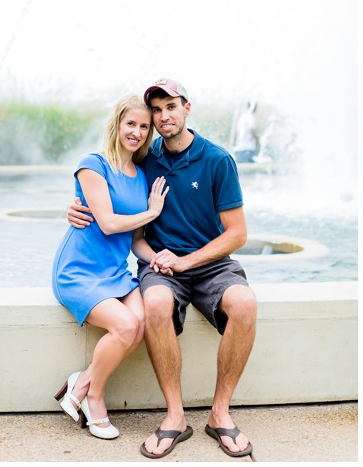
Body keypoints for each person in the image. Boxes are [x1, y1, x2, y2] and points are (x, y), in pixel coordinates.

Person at [66, 78, 256, 459]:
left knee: (246, 304)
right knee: (154, 305)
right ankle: (175, 416)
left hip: (211, 264)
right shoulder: (145, 157)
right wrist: (72, 206)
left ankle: (220, 414)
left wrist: (186, 260)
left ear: (187, 108)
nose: (163, 116)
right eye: (156, 109)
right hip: (159, 264)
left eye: (171, 106)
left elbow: (238, 235)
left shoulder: (218, 160)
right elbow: (109, 184)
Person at [52, 94, 169, 440]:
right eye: (130, 123)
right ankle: (95, 399)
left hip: (116, 273)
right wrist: (151, 212)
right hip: (79, 271)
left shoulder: (142, 175)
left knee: (142, 321)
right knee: (124, 326)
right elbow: (105, 223)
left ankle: (82, 381)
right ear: (118, 124)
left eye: (143, 127)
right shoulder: (93, 164)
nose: (136, 131)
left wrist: (161, 258)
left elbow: (134, 241)